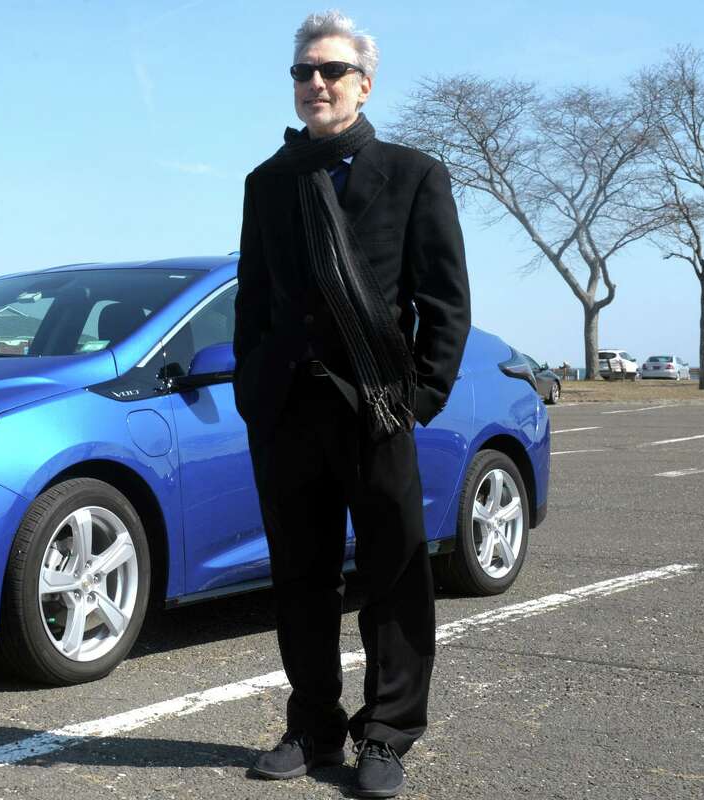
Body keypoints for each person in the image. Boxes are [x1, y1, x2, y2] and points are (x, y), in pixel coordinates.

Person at [231, 10, 470, 798]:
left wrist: (421, 397)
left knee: (395, 573)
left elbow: (443, 301)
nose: (316, 84)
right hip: (289, 415)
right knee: (301, 577)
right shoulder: (269, 183)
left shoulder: (413, 174)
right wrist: (253, 391)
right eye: (304, 71)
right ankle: (313, 727)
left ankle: (389, 734)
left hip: (377, 410)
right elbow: (255, 301)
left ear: (365, 83)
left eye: (332, 71)